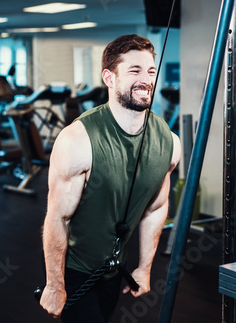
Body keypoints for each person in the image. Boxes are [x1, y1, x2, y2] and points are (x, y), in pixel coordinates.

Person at [39, 34, 181, 322]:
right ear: (110, 78)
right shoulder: (77, 140)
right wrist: (55, 284)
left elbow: (155, 208)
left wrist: (144, 266)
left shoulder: (169, 142)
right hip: (76, 270)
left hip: (116, 268)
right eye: (134, 71)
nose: (146, 79)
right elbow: (58, 218)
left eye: (151, 71)